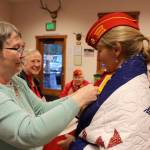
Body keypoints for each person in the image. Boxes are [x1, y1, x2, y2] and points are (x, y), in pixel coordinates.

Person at [0, 21, 98, 150]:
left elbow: (42, 109)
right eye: (17, 48)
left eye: (22, 48)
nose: (23, 55)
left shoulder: (17, 82)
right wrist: (78, 99)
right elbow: (29, 133)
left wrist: (78, 95)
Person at [69, 12, 150, 150]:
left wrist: (73, 145)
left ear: (116, 50)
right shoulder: (129, 78)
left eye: (100, 50)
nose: (99, 58)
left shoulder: (129, 87)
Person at [44, 69, 90, 150]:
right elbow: (62, 99)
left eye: (80, 77)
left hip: (82, 113)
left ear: (83, 78)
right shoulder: (68, 85)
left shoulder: (87, 85)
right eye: (76, 77)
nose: (78, 79)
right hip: (71, 112)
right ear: (73, 78)